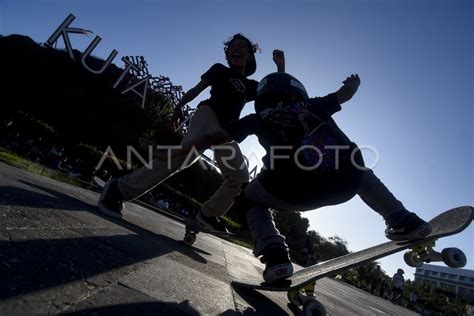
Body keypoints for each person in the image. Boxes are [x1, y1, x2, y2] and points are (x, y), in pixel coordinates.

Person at [162, 71, 433, 283]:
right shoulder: (314, 104)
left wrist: (185, 146)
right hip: (343, 184)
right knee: (355, 165)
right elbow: (345, 93)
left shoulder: (256, 119)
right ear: (297, 92)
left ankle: (274, 253)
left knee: (247, 198)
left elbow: (215, 137)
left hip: (288, 189)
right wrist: (354, 83)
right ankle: (402, 219)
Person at [98, 34, 285, 233]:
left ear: (249, 56)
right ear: (228, 55)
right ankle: (117, 190)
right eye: (232, 47)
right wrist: (179, 105)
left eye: (241, 47)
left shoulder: (251, 86)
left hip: (225, 131)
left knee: (239, 176)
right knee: (182, 158)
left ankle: (208, 214)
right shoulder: (219, 70)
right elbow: (198, 89)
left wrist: (280, 67)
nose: (235, 49)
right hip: (207, 115)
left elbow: (275, 94)